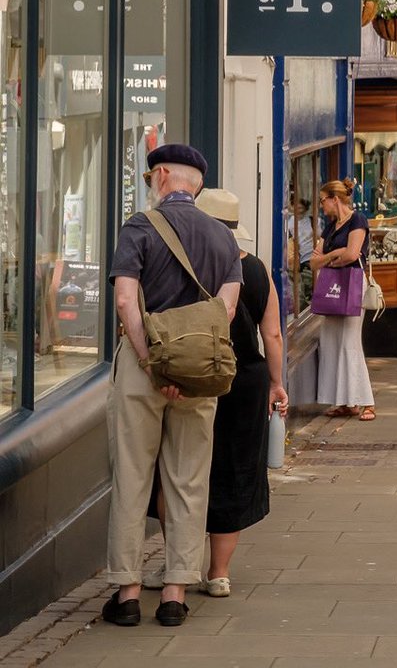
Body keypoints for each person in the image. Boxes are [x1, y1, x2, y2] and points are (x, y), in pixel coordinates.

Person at [103, 145, 242, 629]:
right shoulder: (223, 238)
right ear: (195, 184)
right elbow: (224, 311)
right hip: (199, 373)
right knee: (188, 480)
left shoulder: (139, 227)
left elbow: (125, 303)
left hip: (143, 371)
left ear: (161, 176)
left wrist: (151, 362)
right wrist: (186, 365)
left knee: (133, 477)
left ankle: (127, 592)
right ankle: (176, 592)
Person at [194, 189, 288, 597]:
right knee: (232, 472)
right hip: (243, 381)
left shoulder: (187, 264)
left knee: (182, 470)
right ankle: (219, 573)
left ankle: (178, 561)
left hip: (193, 376)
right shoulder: (256, 270)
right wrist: (277, 383)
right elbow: (272, 335)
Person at [312, 178, 376, 421]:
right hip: (332, 289)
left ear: (334, 199)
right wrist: (335, 256)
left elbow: (352, 254)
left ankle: (367, 401)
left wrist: (332, 254)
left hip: (352, 288)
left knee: (350, 342)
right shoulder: (330, 228)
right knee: (330, 342)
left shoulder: (357, 220)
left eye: (322, 201)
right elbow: (314, 261)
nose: (321, 206)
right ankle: (345, 403)